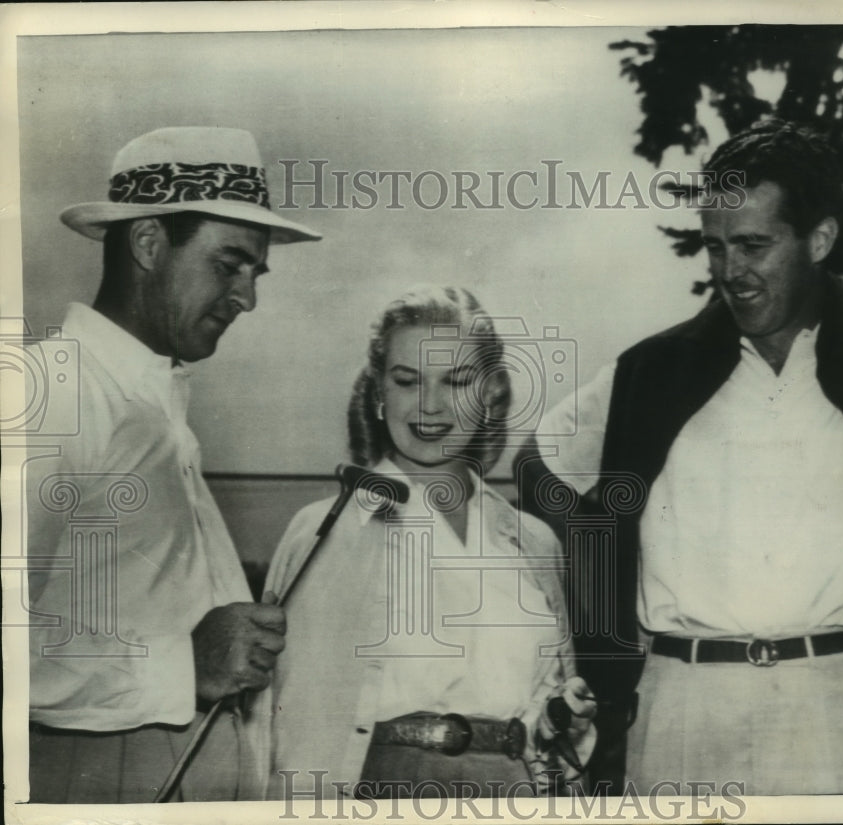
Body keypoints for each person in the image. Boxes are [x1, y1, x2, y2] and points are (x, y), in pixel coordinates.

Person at [517, 119, 843, 795]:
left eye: (754, 245)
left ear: (820, 239)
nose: (730, 272)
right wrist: (601, 577)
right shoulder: (652, 371)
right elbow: (537, 468)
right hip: (684, 707)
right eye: (715, 247)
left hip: (841, 705)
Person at [25, 126, 322, 803]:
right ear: (149, 243)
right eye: (229, 264)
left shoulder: (154, 402)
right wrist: (184, 662)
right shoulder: (55, 393)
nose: (248, 297)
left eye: (256, 272)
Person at [248, 285, 596, 800]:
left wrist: (559, 720)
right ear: (377, 394)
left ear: (491, 393)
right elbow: (280, 721)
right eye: (407, 381)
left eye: (456, 381)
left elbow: (556, 719)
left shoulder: (533, 541)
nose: (430, 406)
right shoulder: (327, 530)